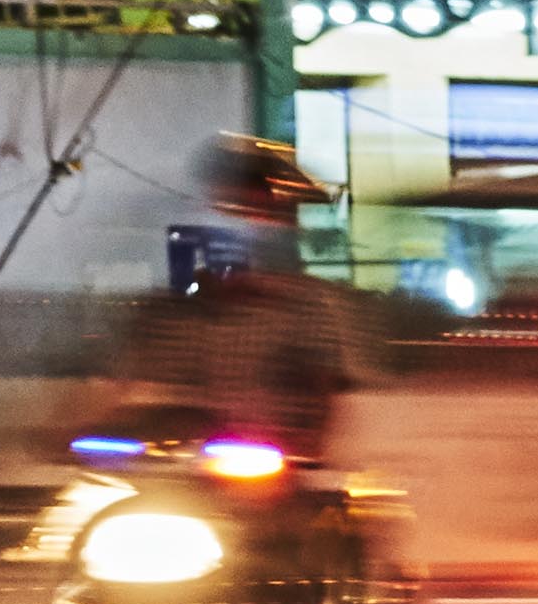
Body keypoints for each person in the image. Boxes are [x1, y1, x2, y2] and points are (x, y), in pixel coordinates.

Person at [104, 135, 384, 463]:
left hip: (274, 478)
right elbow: (143, 392)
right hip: (187, 479)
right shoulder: (172, 311)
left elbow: (320, 399)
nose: (239, 226)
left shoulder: (305, 308)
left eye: (252, 213)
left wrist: (302, 445)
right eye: (225, 210)